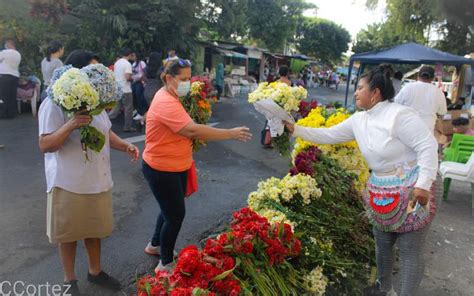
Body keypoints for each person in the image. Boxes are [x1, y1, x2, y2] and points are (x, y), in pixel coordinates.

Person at [284, 64, 438, 296]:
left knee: (409, 250)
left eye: (360, 88)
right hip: (381, 191)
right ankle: (383, 288)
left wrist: (423, 184)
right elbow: (328, 135)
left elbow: (428, 145)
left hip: (412, 190)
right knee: (382, 244)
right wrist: (294, 129)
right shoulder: (359, 120)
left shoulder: (399, 115)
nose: (355, 93)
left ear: (375, 93)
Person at [38, 49, 140, 296]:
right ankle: (69, 280)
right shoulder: (54, 102)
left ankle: (95, 272)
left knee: (94, 231)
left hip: (97, 180)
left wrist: (125, 145)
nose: (98, 76)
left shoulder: (97, 101)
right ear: (76, 74)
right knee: (69, 234)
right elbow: (45, 144)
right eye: (92, 70)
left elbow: (105, 132)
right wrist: (72, 123)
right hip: (68, 181)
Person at [142, 59, 252, 273]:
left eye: (189, 78)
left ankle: (155, 245)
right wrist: (229, 133)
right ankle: (165, 263)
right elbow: (191, 130)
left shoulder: (171, 95)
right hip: (162, 169)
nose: (188, 83)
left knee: (168, 210)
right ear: (168, 78)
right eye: (183, 79)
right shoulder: (165, 101)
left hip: (173, 166)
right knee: (175, 215)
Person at [395, 66, 447, 134]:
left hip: (407, 127)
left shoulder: (408, 87)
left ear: (418, 76)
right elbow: (442, 112)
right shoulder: (439, 92)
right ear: (433, 78)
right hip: (427, 130)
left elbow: (396, 103)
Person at [108, 48, 135, 132]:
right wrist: (132, 78)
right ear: (130, 55)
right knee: (128, 109)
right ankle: (127, 127)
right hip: (126, 89)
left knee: (116, 108)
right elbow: (127, 77)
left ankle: (105, 121)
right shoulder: (127, 64)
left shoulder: (117, 63)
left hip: (118, 88)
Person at [0, 39, 21, 119]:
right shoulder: (18, 54)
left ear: (8, 45)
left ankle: (3, 113)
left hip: (4, 75)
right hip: (15, 75)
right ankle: (11, 114)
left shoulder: (5, 52)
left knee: (3, 95)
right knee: (12, 95)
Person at [130, 53, 147, 123]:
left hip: (140, 82)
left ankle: (141, 112)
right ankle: (138, 110)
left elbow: (144, 72)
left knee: (139, 96)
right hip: (134, 82)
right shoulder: (133, 64)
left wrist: (141, 79)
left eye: (133, 56)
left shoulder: (141, 63)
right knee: (134, 96)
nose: (132, 57)